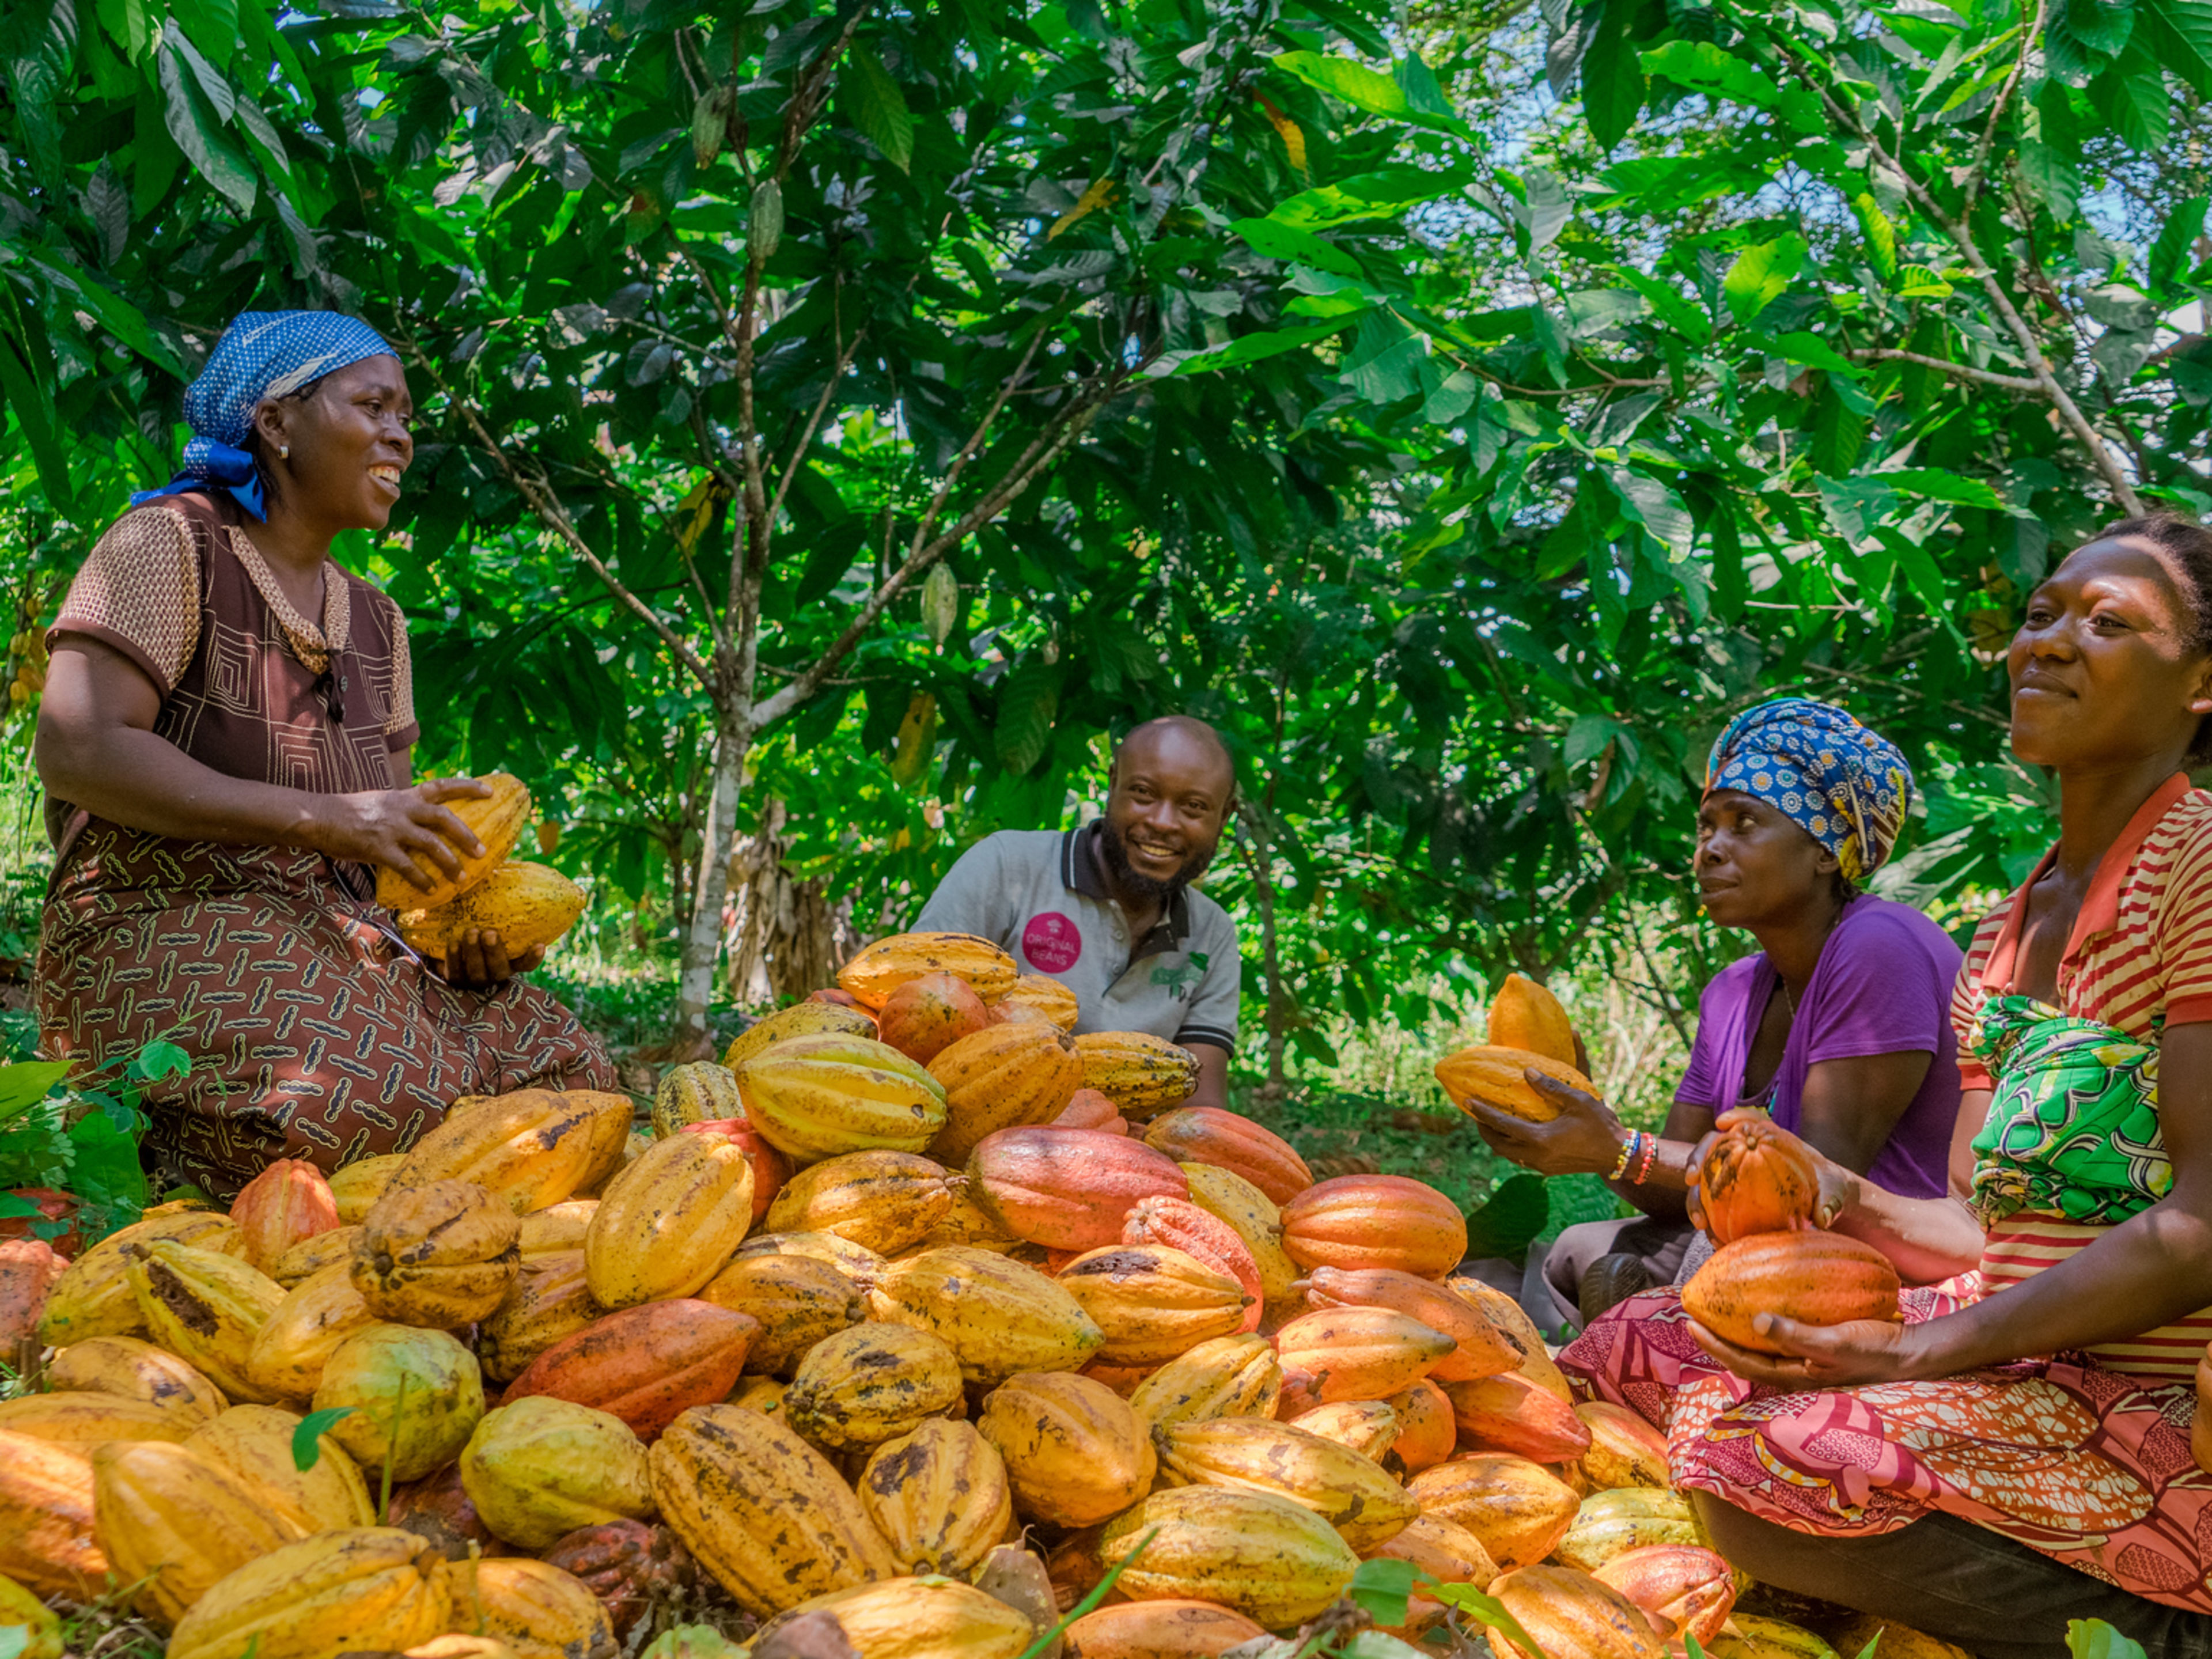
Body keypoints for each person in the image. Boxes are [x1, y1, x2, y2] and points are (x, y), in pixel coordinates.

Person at [1560, 516, 2212, 1658]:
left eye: (2109, 624)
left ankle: (2156, 1616)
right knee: (1636, 1343)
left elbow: (2202, 1226)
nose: (2050, 642)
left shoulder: (2197, 873)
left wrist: (1912, 1356)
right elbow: (1977, 1231)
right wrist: (1835, 1192)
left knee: (1768, 1462)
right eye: (2042, 614)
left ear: (2200, 685)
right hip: (2004, 1349)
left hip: (2146, 1410)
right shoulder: (2007, 929)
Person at [35, 311, 616, 1201]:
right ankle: (159, 1153)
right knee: (366, 1105)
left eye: (407, 417)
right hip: (161, 914)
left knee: (573, 1081)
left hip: (340, 937)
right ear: (275, 421)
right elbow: (79, 747)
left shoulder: (380, 623)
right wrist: (326, 818)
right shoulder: (169, 542)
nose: (401, 435)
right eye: (373, 406)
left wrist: (457, 932)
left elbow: (382, 870)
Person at [1460, 698, 1966, 1332]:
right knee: (1576, 1248)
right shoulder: (1733, 992)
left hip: (1874, 1254)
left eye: (1744, 824)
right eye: (1705, 829)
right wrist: (1591, 1128)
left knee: (1698, 1264)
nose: (1709, 851)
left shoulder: (1881, 946)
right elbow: (1671, 1195)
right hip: (1763, 1239)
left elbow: (1810, 1185)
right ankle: (1656, 1319)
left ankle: (1658, 1324)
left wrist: (1622, 1148)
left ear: (1825, 851)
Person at [915, 715, 1240, 1110]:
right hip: (970, 1116)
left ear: (1225, 816)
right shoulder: (1005, 867)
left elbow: (1202, 1109)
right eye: (1143, 793)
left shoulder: (1212, 933)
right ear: (1113, 784)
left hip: (1120, 1141)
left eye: (1193, 807)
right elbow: (913, 1007)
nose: (1162, 822)